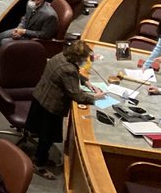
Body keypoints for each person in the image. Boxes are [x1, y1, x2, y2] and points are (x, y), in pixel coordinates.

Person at [26, 39, 104, 179]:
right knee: (46, 138)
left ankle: (41, 157)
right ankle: (39, 164)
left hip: (40, 97)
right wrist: (96, 98)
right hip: (51, 106)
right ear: (77, 57)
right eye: (83, 58)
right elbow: (77, 95)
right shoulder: (68, 70)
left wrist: (85, 81)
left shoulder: (60, 56)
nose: (85, 61)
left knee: (45, 135)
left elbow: (73, 72)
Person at [0, 0, 58, 73]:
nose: (30, 1)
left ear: (41, 1)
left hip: (32, 38)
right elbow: (25, 19)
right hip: (22, 31)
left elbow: (45, 35)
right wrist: (19, 28)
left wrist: (24, 32)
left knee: (4, 42)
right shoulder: (31, 5)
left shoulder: (50, 15)